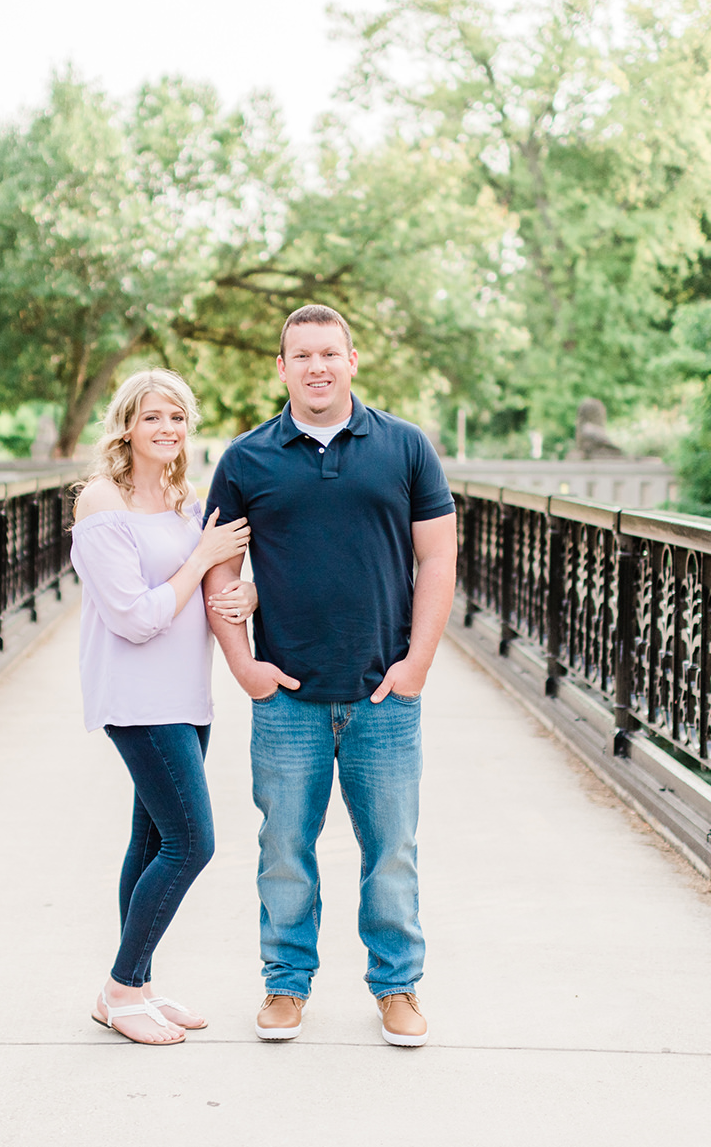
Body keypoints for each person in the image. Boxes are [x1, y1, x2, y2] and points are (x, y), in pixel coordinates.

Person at [203, 304, 457, 1048]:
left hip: (384, 693)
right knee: (284, 847)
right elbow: (222, 571)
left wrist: (418, 664)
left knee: (393, 849)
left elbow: (437, 559)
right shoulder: (247, 459)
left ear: (353, 359)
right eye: (301, 355)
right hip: (288, 700)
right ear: (281, 368)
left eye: (329, 353)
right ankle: (285, 985)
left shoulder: (406, 448)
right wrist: (244, 666)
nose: (317, 366)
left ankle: (398, 986)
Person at [70, 368, 258, 1045]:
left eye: (177, 417)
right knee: (192, 841)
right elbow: (135, 616)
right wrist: (202, 554)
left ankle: (138, 985)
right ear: (127, 425)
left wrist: (246, 594)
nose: (168, 429)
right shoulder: (100, 503)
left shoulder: (180, 499)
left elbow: (208, 583)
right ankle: (119, 988)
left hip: (186, 694)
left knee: (150, 838)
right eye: (153, 417)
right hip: (137, 697)